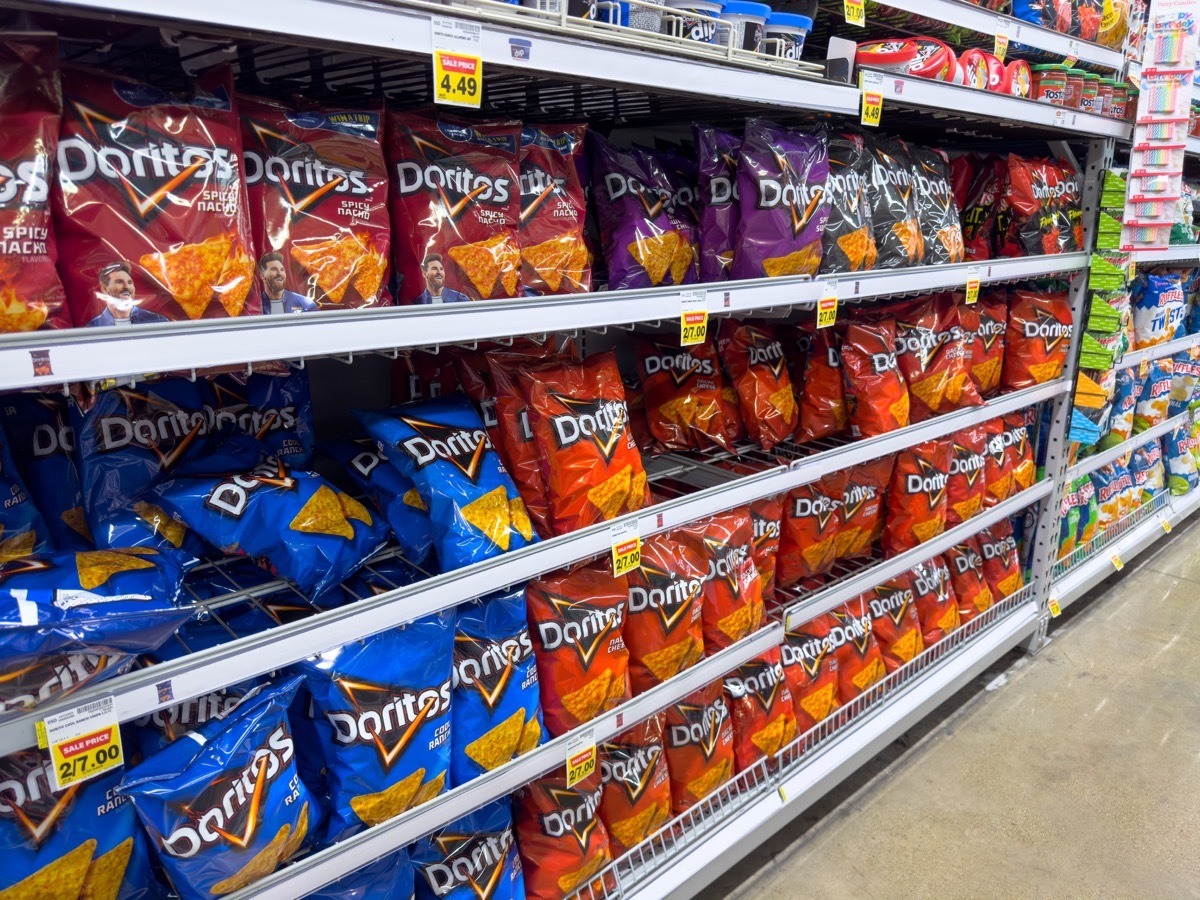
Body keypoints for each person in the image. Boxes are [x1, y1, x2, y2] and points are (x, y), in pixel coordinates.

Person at [85, 261, 168, 327]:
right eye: (119, 282)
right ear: (104, 288)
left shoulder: (158, 321)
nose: (127, 287)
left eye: (129, 282)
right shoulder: (93, 327)